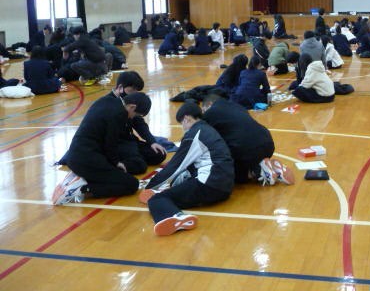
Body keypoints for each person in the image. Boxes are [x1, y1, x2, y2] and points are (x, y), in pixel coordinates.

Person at [138, 102, 234, 236]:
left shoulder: (194, 134)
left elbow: (176, 165)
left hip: (209, 185)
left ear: (186, 119)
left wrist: (151, 185)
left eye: (181, 124)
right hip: (224, 187)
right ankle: (172, 205)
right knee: (179, 187)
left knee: (157, 200)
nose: (183, 128)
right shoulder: (208, 130)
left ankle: (177, 216)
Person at [51, 92, 151, 205]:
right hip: (87, 160)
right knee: (131, 184)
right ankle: (82, 188)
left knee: (117, 174)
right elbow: (110, 143)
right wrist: (116, 163)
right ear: (132, 107)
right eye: (136, 115)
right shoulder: (119, 114)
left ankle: (80, 177)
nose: (132, 118)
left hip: (75, 156)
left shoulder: (106, 100)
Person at [202, 93, 293, 185]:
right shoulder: (237, 106)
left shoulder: (209, 113)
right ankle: (270, 166)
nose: (203, 113)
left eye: (203, 110)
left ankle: (257, 171)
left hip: (247, 150)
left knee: (224, 172)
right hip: (268, 143)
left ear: (209, 104)